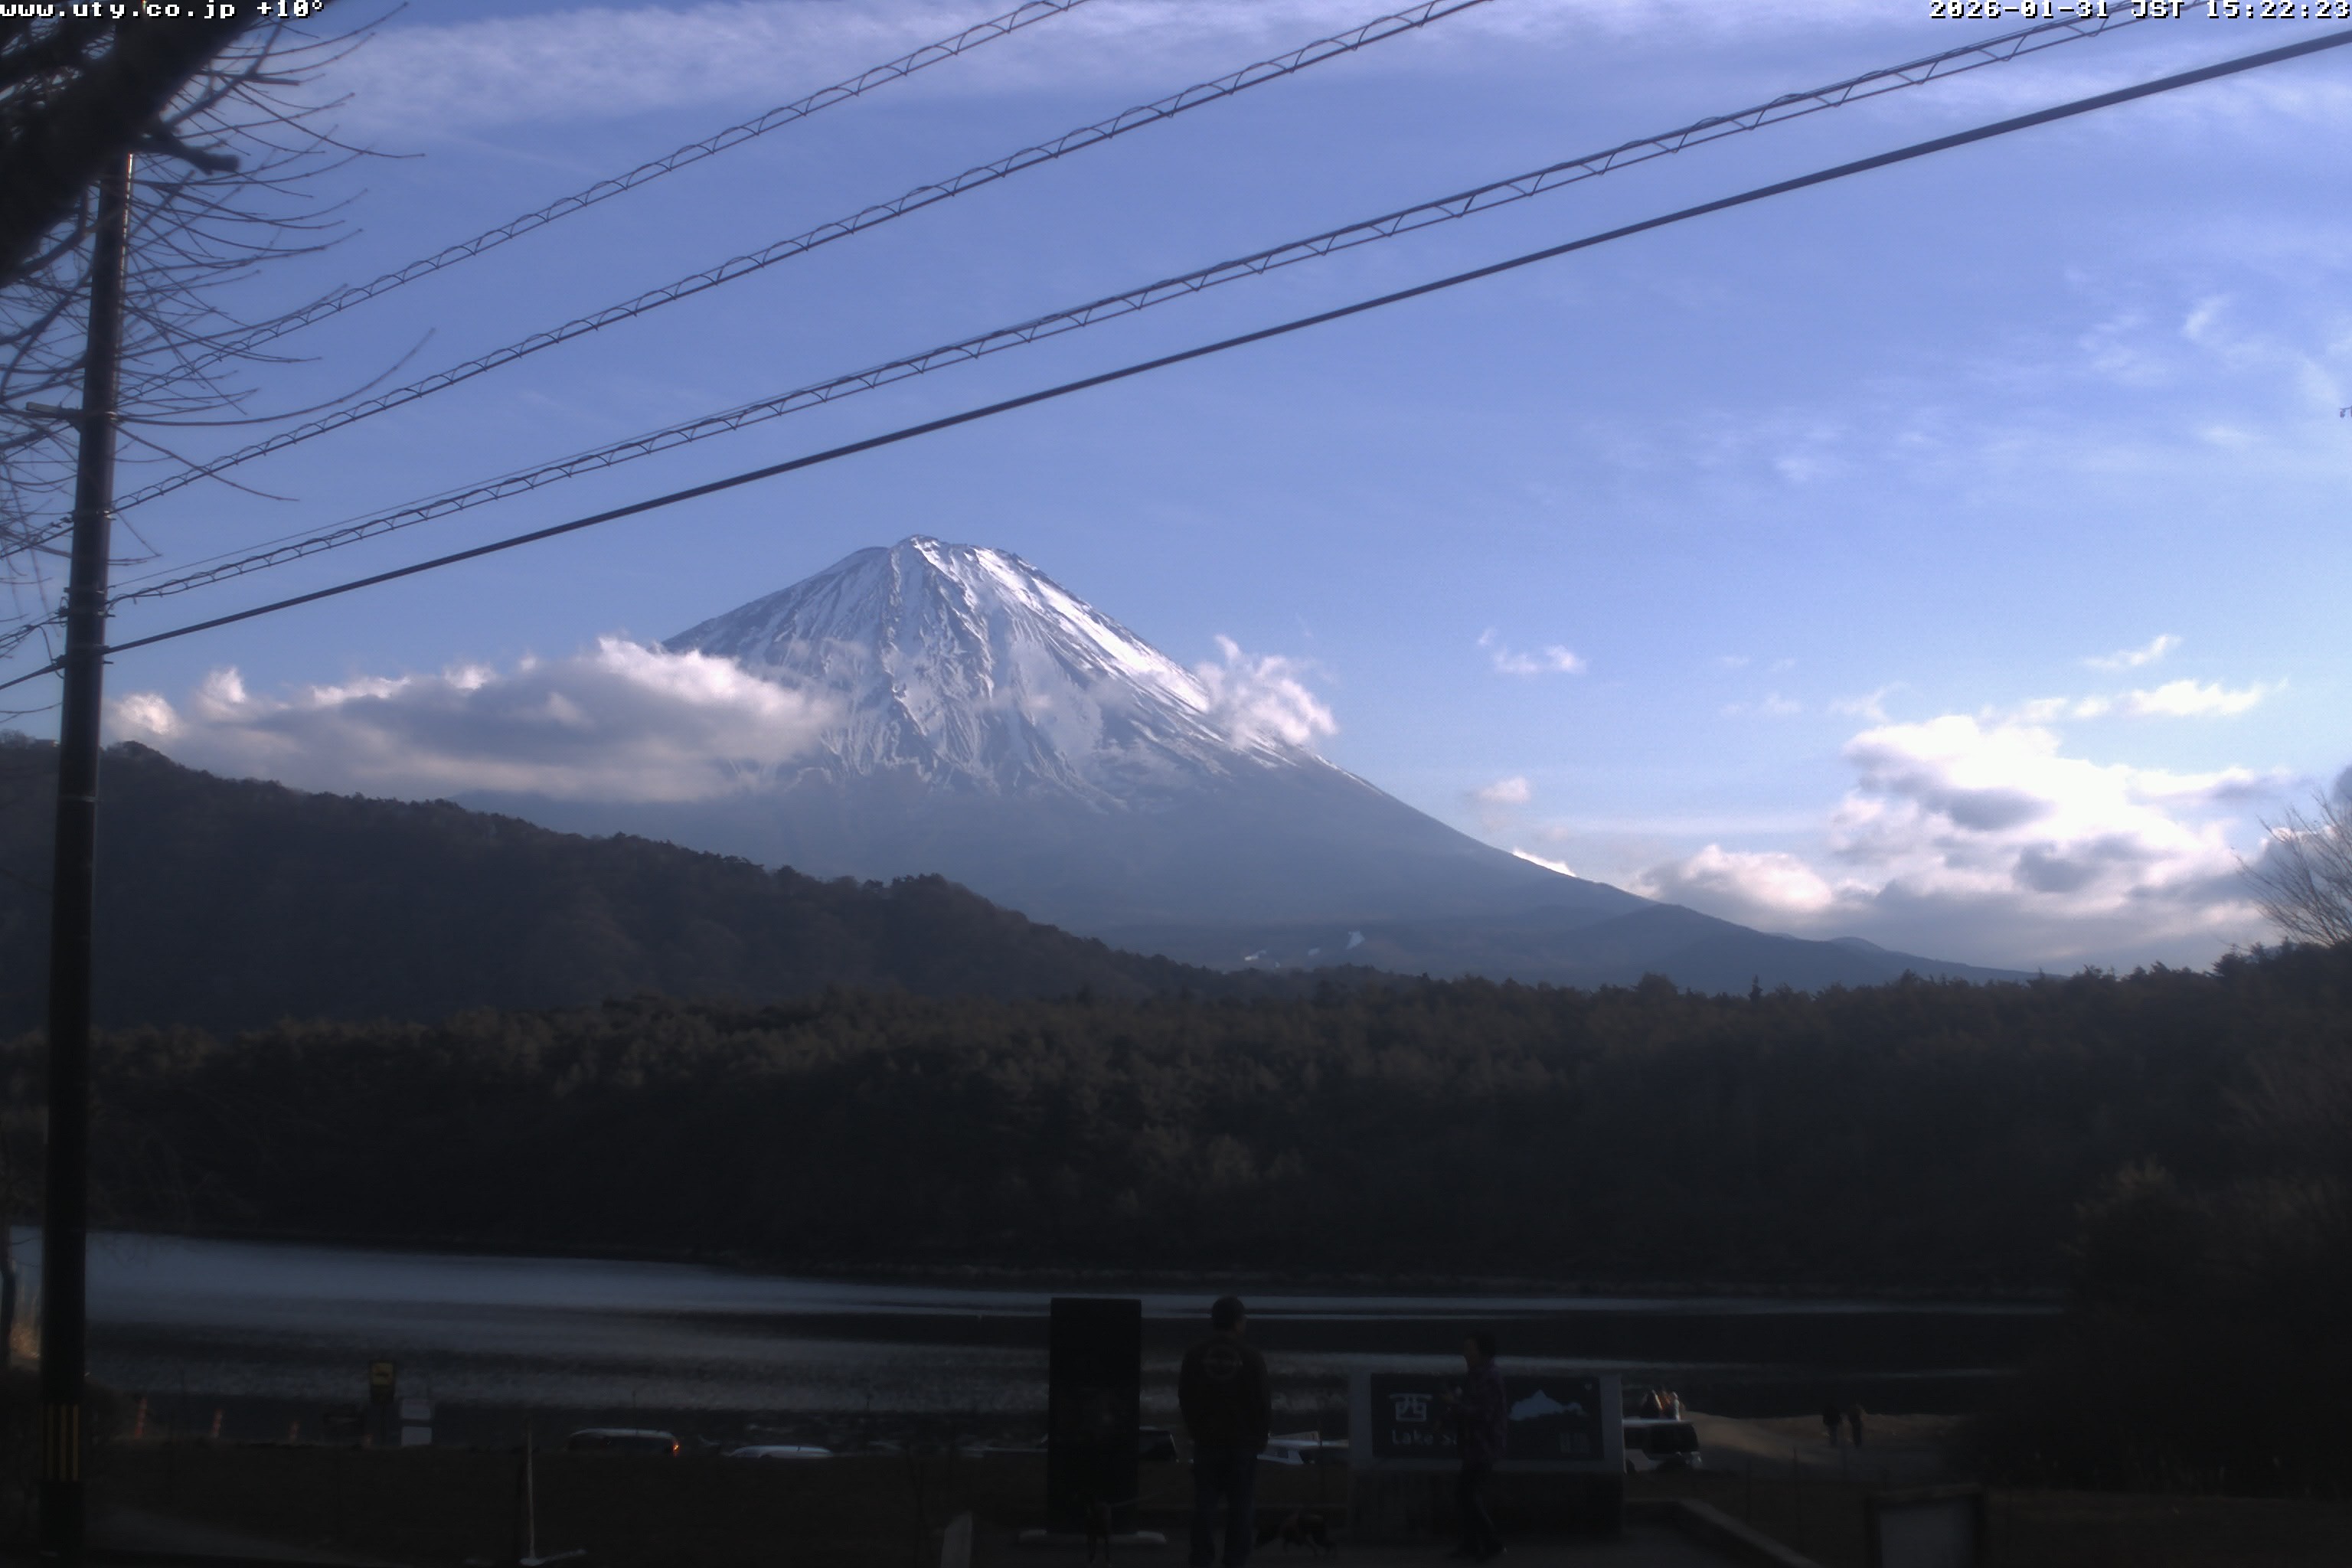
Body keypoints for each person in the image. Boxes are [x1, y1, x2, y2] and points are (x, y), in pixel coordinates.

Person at [1180, 1296, 1271, 1568]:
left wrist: (1194, 1429)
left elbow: (1185, 1395)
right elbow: (1262, 1401)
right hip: (1243, 1443)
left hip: (1207, 1441)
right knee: (1241, 1507)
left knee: (1204, 1505)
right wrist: (1261, 1436)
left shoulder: (1195, 1355)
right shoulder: (1251, 1357)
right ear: (1238, 1322)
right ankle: (1235, 1560)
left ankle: (1201, 1558)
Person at [1441, 1331, 1507, 1563]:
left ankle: (1491, 1544)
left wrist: (1454, 1405)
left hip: (1484, 1445)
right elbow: (1469, 1406)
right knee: (1465, 1495)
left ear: (1484, 1352)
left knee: (1466, 1494)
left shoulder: (1489, 1378)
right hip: (1473, 1445)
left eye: (1470, 1349)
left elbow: (1483, 1414)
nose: (1465, 1354)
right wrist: (1450, 1414)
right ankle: (1472, 1545)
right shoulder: (1476, 1376)